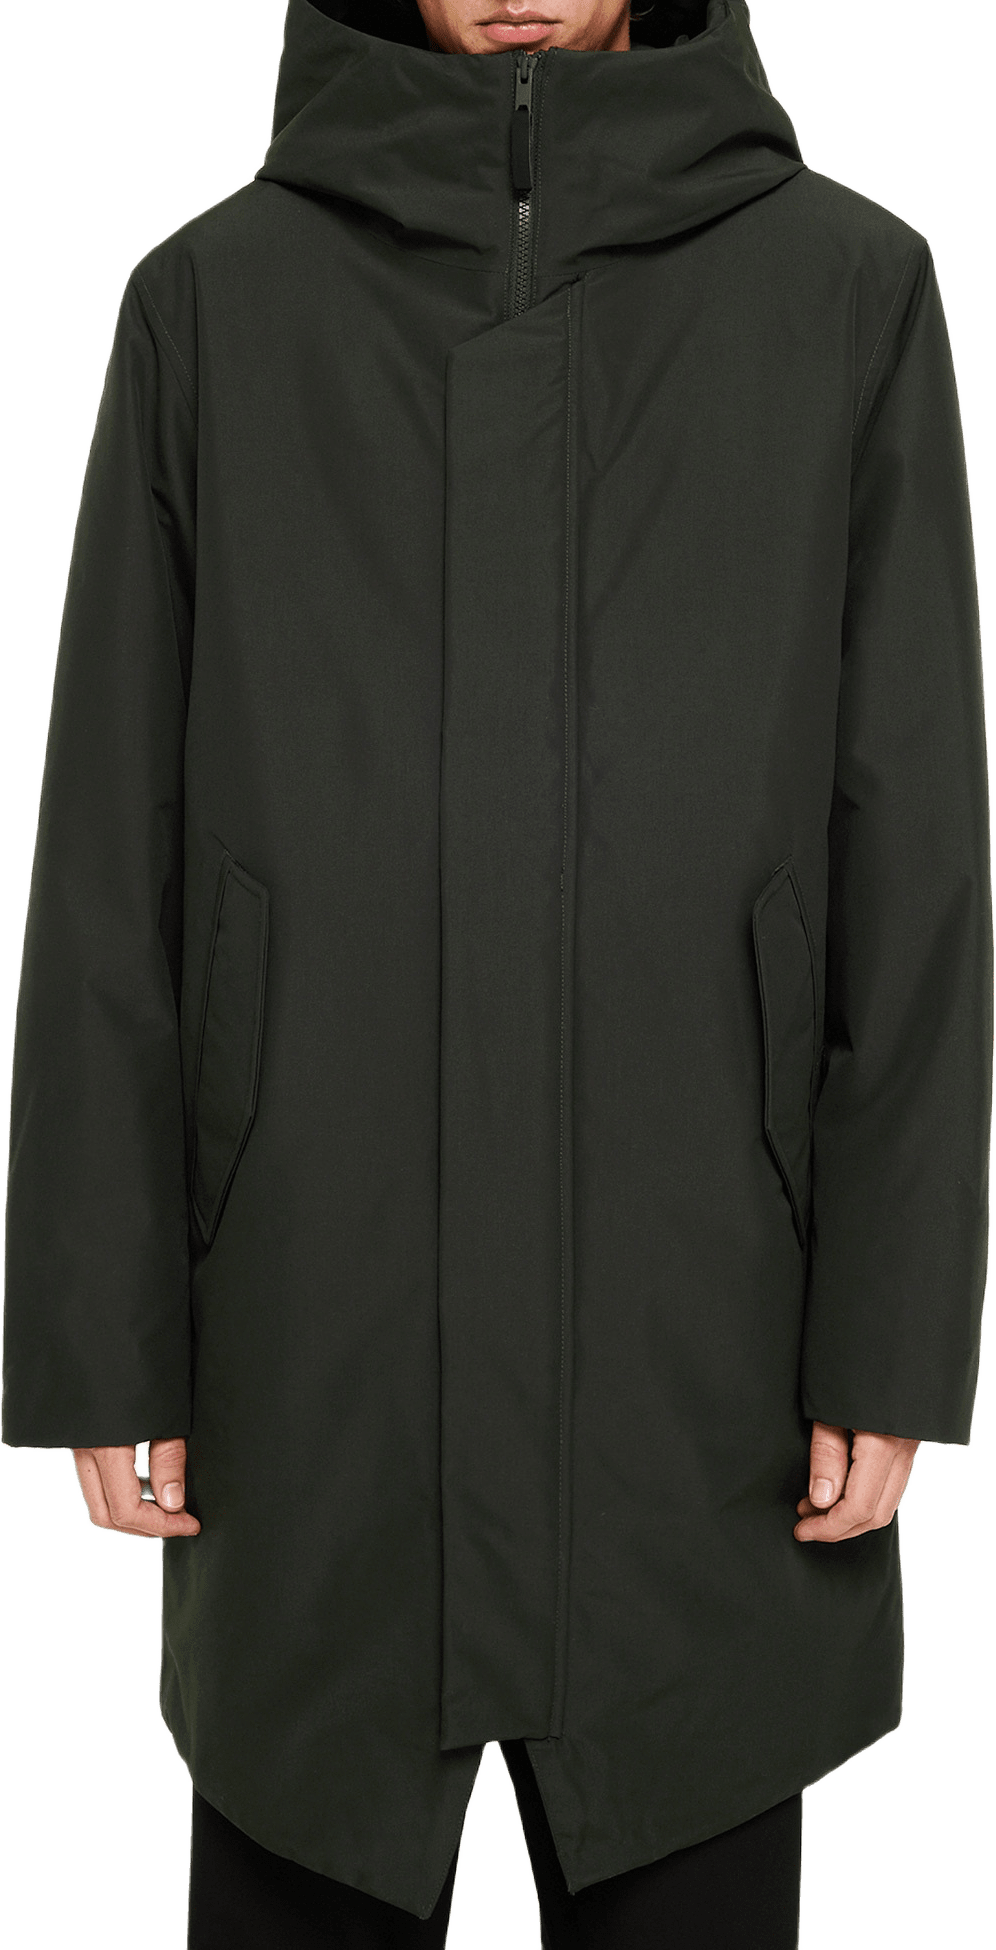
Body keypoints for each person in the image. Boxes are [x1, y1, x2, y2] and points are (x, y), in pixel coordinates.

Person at [1, 1, 991, 1946]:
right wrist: (106, 1340)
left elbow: (917, 856)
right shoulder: (213, 305)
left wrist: (890, 1336)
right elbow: (113, 852)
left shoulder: (846, 293)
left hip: (708, 1355)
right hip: (315, 1352)